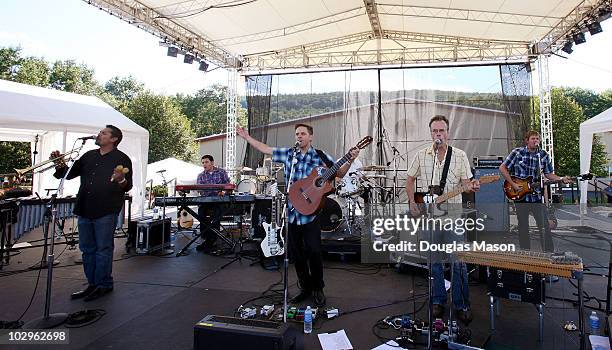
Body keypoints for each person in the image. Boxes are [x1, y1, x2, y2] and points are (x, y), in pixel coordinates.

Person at [237, 123, 358, 307]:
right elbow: (266, 149)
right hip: (292, 213)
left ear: (311, 137)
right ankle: (305, 288)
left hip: (311, 214)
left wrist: (350, 159)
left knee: (315, 252)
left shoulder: (320, 155)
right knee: (296, 254)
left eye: (303, 133)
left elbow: (339, 172)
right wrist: (247, 138)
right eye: (297, 134)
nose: (299, 136)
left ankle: (318, 288)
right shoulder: (289, 154)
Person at [405, 115, 480, 325]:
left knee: (458, 262)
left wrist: (472, 185)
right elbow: (409, 179)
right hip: (430, 218)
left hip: (453, 217)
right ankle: (437, 299)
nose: (439, 134)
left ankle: (461, 304)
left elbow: (466, 183)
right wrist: (412, 202)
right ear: (431, 133)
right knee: (434, 262)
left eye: (442, 131)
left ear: (448, 132)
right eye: (435, 131)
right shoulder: (421, 155)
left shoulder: (459, 156)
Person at [52, 125, 132, 302]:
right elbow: (68, 174)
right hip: (85, 208)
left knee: (103, 249)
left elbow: (127, 186)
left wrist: (121, 180)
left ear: (114, 139)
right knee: (87, 249)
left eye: (104, 133)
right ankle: (92, 284)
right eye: (100, 132)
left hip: (106, 209)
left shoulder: (122, 158)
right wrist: (59, 164)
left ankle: (104, 284)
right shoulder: (89, 155)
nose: (99, 134)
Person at [499, 130, 571, 252]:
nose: (535, 141)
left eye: (537, 139)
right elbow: (502, 167)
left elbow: (548, 174)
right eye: (533, 138)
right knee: (523, 225)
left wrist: (561, 179)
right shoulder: (517, 153)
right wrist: (513, 184)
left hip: (536, 196)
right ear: (527, 140)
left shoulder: (543, 155)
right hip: (520, 195)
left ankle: (548, 252)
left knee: (544, 225)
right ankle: (525, 251)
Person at [195, 154, 230, 252]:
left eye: (206, 162)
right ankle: (206, 237)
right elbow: (199, 190)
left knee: (216, 213)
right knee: (201, 212)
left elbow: (228, 185)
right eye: (202, 163)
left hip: (219, 200)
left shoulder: (221, 172)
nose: (204, 164)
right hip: (206, 200)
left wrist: (223, 192)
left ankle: (213, 238)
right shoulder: (201, 176)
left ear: (212, 162)